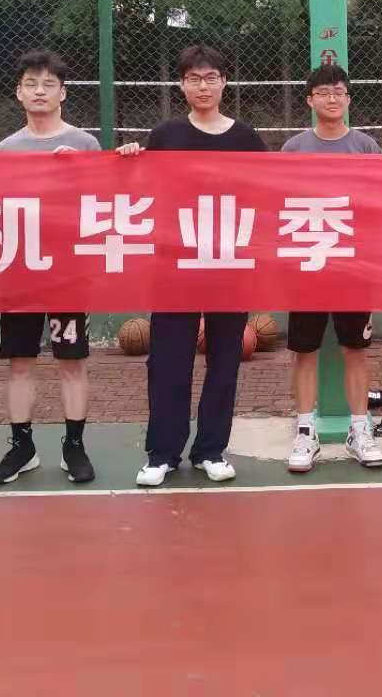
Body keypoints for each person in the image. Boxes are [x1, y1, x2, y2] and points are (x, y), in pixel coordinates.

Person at [116, 45, 267, 487]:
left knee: (224, 360)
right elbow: (140, 189)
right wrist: (128, 161)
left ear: (224, 83)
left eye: (211, 77)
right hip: (176, 263)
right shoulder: (165, 135)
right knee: (168, 361)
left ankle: (211, 450)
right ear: (182, 85)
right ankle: (162, 453)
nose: (203, 86)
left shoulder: (246, 139)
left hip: (229, 262)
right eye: (194, 78)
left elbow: (268, 194)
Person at [0, 50, 100, 485]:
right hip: (19, 269)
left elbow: (103, 204)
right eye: (31, 84)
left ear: (63, 93)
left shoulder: (85, 144)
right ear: (18, 93)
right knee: (20, 361)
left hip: (68, 271)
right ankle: (22, 446)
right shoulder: (4, 150)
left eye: (48, 84)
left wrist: (79, 174)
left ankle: (74, 445)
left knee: (71, 361)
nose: (39, 91)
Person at [279, 64, 382, 472]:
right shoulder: (293, 149)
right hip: (307, 262)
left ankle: (360, 428)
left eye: (339, 91)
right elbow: (280, 203)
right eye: (323, 92)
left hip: (353, 266)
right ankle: (306, 432)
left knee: (354, 350)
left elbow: (381, 203)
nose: (332, 98)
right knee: (304, 351)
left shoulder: (366, 146)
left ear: (348, 98)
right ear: (310, 100)